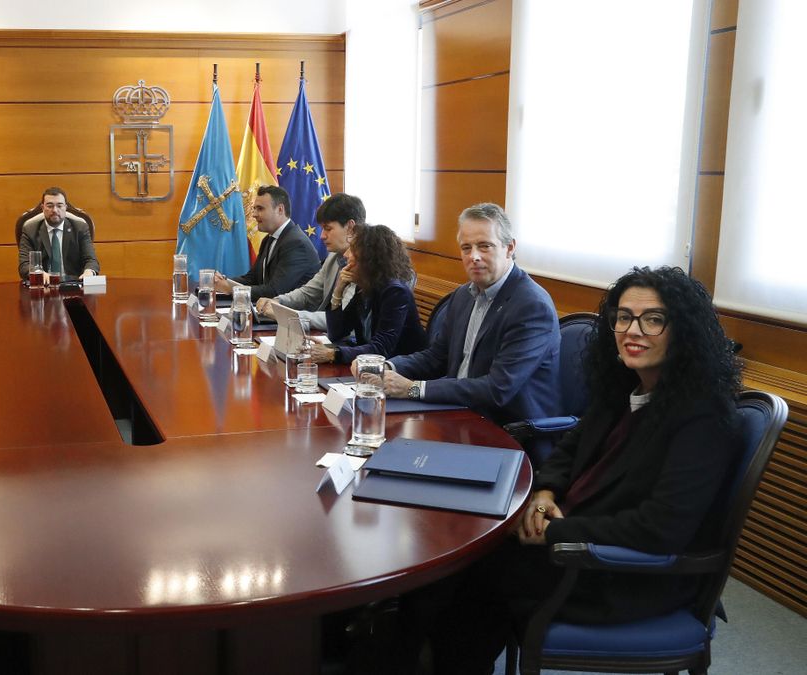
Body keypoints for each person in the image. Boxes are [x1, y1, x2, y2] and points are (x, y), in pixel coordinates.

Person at [421, 266, 744, 673]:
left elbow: (659, 528)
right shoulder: (627, 389)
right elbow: (571, 447)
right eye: (623, 316)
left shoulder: (703, 419)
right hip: (578, 540)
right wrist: (545, 493)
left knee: (466, 570)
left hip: (620, 574)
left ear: (684, 330)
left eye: (654, 319)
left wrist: (553, 531)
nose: (633, 330)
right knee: (458, 557)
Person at [377, 203, 561, 456]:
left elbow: (497, 390)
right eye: (466, 248)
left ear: (509, 248)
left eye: (484, 246)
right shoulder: (464, 295)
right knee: (381, 450)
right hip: (456, 416)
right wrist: (387, 367)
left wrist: (413, 388)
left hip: (506, 435)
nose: (474, 256)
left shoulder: (531, 306)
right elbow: (436, 357)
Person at [310, 224, 427, 365]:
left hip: (401, 372)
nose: (346, 255)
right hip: (369, 369)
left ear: (369, 257)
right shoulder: (366, 287)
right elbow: (337, 333)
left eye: (352, 250)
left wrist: (334, 354)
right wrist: (338, 291)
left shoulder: (395, 292)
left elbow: (381, 348)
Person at [255, 192, 363, 331]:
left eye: (328, 229)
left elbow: (344, 321)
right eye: (322, 229)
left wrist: (290, 316)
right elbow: (307, 293)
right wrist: (278, 301)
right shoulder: (333, 257)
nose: (322, 236)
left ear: (350, 227)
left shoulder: (365, 264)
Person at [213, 185, 320, 301]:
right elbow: (252, 279)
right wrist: (223, 281)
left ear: (280, 210)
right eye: (254, 208)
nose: (254, 214)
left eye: (260, 209)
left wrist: (230, 288)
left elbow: (275, 291)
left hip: (291, 316)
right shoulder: (269, 239)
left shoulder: (296, 244)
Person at [16, 187, 101, 280]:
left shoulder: (80, 228)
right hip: (43, 286)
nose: (55, 210)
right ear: (42, 207)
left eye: (59, 206)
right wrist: (39, 273)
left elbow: (91, 260)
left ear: (65, 207)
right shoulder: (30, 230)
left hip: (73, 285)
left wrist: (89, 271)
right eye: (50, 206)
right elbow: (24, 265)